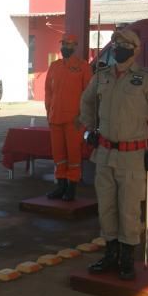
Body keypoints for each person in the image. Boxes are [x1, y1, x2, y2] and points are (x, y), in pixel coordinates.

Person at [79, 29, 148, 280]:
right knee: (107, 208)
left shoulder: (146, 79)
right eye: (115, 44)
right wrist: (90, 128)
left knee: (128, 210)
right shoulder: (101, 77)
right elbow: (86, 102)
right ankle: (110, 254)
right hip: (104, 154)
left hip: (133, 157)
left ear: (135, 51)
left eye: (124, 45)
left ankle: (126, 259)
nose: (117, 48)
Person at [44, 35, 92, 200]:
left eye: (69, 44)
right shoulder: (54, 66)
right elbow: (48, 92)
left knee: (73, 155)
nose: (66, 47)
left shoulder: (83, 67)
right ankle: (61, 185)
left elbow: (88, 95)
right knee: (58, 155)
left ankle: (71, 187)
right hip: (55, 118)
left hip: (74, 120)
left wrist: (83, 116)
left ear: (75, 46)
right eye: (64, 44)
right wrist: (48, 113)